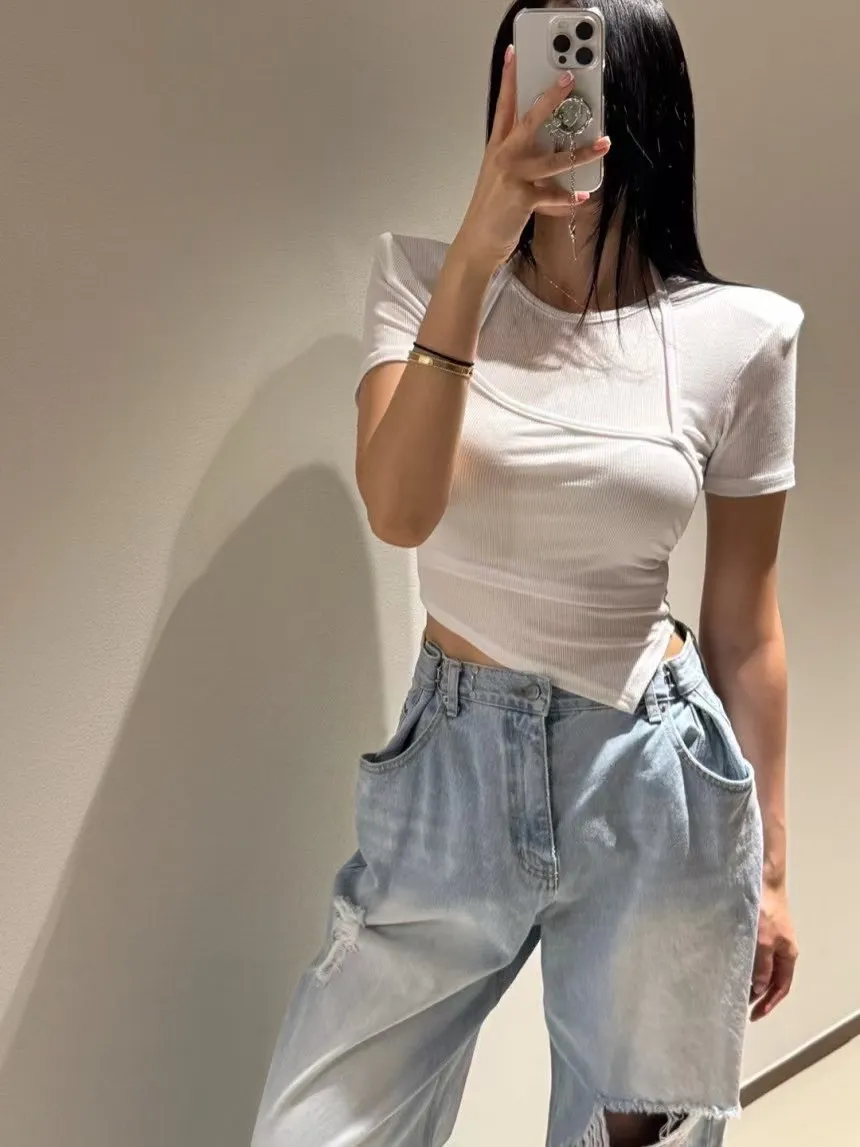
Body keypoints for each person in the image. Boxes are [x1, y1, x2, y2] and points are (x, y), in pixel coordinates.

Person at [251, 0, 802, 1144]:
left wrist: (770, 873)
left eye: (579, 76)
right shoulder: (418, 279)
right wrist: (476, 247)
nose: (554, 103)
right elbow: (399, 508)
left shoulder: (740, 335)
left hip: (649, 774)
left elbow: (744, 627)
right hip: (450, 766)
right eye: (529, 78)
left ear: (638, 107)